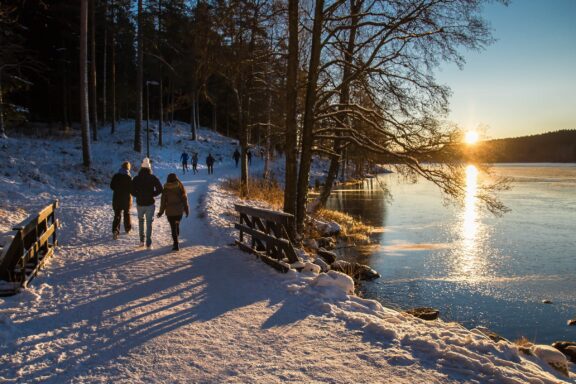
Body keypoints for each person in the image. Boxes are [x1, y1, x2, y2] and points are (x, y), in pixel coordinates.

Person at [131, 158, 163, 249]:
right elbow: (160, 189)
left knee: (141, 221)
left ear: (141, 168)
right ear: (149, 168)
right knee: (149, 223)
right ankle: (148, 243)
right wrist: (153, 194)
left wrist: (137, 195)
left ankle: (141, 241)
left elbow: (131, 190)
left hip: (140, 203)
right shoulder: (153, 178)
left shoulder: (136, 178)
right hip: (150, 203)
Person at [157, 173, 189, 251]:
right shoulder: (180, 187)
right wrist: (186, 209)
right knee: (176, 224)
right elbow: (184, 200)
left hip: (170, 212)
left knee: (173, 227)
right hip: (179, 211)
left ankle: (176, 244)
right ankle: (176, 237)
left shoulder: (165, 189)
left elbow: (163, 203)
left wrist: (160, 212)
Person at [110, 161, 133, 240]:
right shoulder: (129, 177)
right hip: (126, 199)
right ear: (128, 168)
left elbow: (112, 186)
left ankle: (115, 230)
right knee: (127, 213)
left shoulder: (116, 176)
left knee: (117, 214)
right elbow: (131, 189)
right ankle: (127, 228)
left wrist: (117, 190)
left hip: (117, 198)